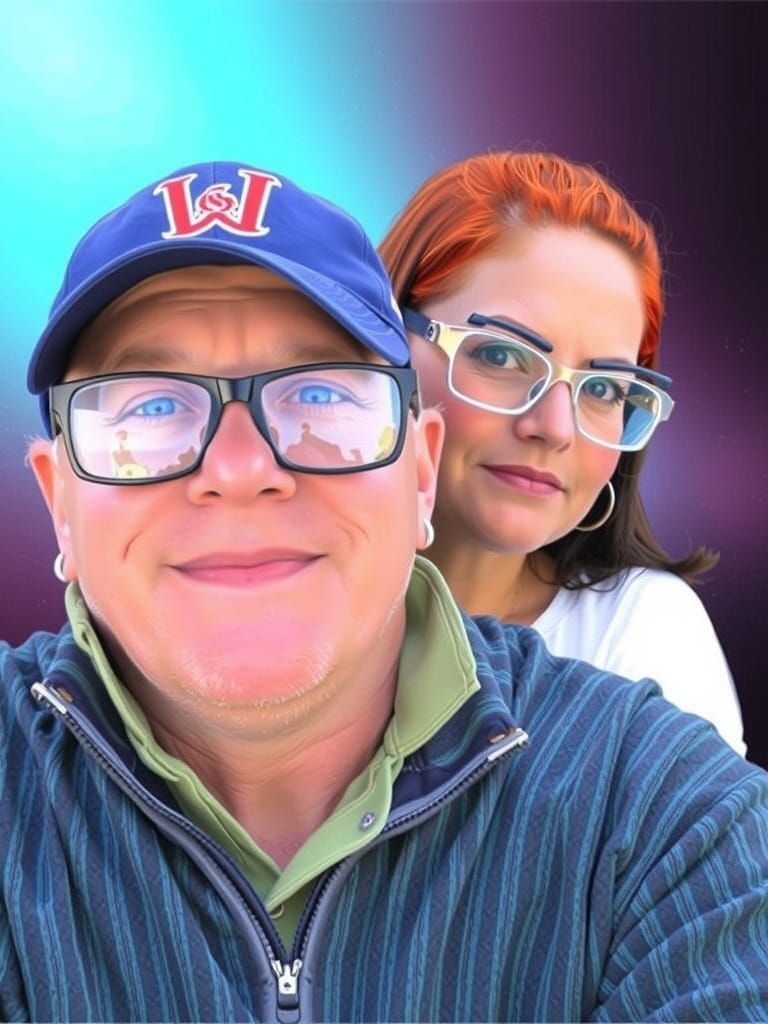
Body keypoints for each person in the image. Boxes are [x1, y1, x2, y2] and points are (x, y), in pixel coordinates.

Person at [1, 161, 766, 1022]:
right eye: (147, 407)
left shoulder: (661, 804)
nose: (240, 469)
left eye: (318, 393)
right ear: (59, 503)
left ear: (419, 470)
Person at [379, 151, 746, 754]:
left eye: (603, 390)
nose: (554, 428)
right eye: (500, 355)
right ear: (386, 336)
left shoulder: (644, 632)